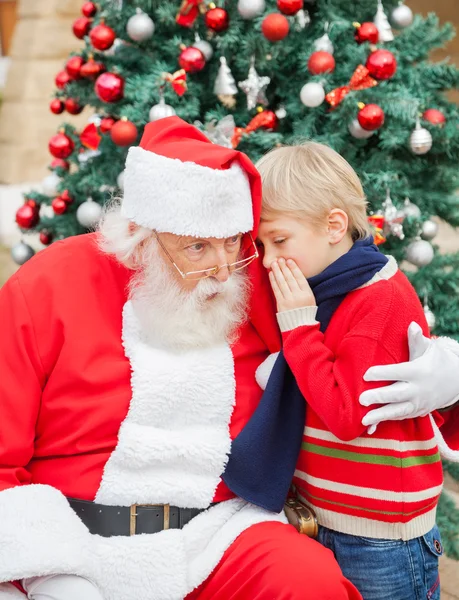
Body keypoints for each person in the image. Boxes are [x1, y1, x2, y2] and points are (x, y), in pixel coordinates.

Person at [0, 117, 457, 600]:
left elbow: (361, 314)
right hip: (78, 538)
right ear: (141, 235)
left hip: (216, 534)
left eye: (233, 245)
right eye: (197, 247)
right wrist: (40, 566)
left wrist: (445, 375)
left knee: (308, 582)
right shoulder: (50, 286)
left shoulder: (252, 278)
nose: (221, 270)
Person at [256, 141, 459, 600]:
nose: (269, 261)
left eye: (280, 240)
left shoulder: (377, 299)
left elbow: (348, 415)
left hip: (381, 539)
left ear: (334, 226)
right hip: (327, 519)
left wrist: (298, 329)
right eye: (262, 245)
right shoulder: (324, 286)